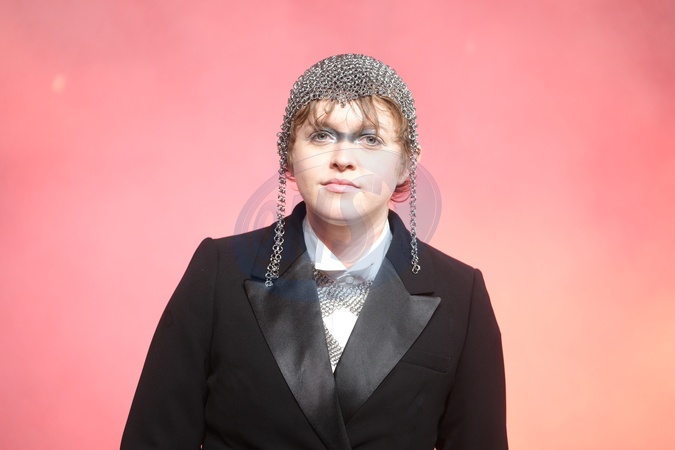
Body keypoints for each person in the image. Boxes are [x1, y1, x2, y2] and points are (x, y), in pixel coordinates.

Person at [121, 54, 508, 449]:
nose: (342, 159)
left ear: (407, 163)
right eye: (321, 135)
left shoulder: (461, 296)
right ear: (289, 151)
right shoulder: (219, 274)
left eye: (370, 139)